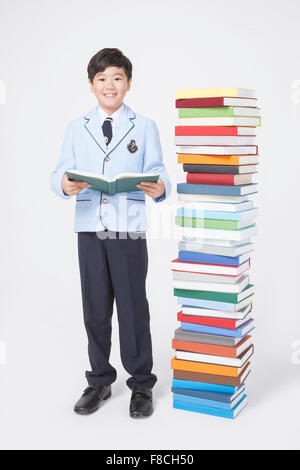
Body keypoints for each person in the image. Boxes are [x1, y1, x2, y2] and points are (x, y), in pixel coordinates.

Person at [50, 48, 171, 418]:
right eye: (101, 79)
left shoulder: (145, 126)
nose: (110, 85)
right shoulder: (77, 126)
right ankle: (99, 380)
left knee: (134, 306)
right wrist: (65, 185)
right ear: (91, 85)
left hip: (128, 229)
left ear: (129, 83)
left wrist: (159, 188)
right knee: (95, 305)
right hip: (89, 227)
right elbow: (58, 174)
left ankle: (141, 384)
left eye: (117, 78)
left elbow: (160, 172)